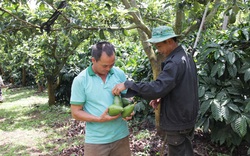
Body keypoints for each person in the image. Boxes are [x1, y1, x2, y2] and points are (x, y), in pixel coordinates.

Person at [112, 26, 199, 156]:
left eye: (159, 46)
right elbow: (180, 86)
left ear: (169, 41)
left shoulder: (174, 63)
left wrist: (129, 85)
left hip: (177, 119)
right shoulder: (185, 56)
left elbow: (157, 88)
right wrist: (163, 96)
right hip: (186, 117)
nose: (158, 51)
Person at [70, 41, 132, 156]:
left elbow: (127, 100)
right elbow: (75, 112)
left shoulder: (119, 73)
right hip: (96, 141)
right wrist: (99, 119)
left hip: (121, 137)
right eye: (105, 65)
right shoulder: (81, 80)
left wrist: (129, 111)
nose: (108, 68)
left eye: (112, 64)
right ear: (93, 60)